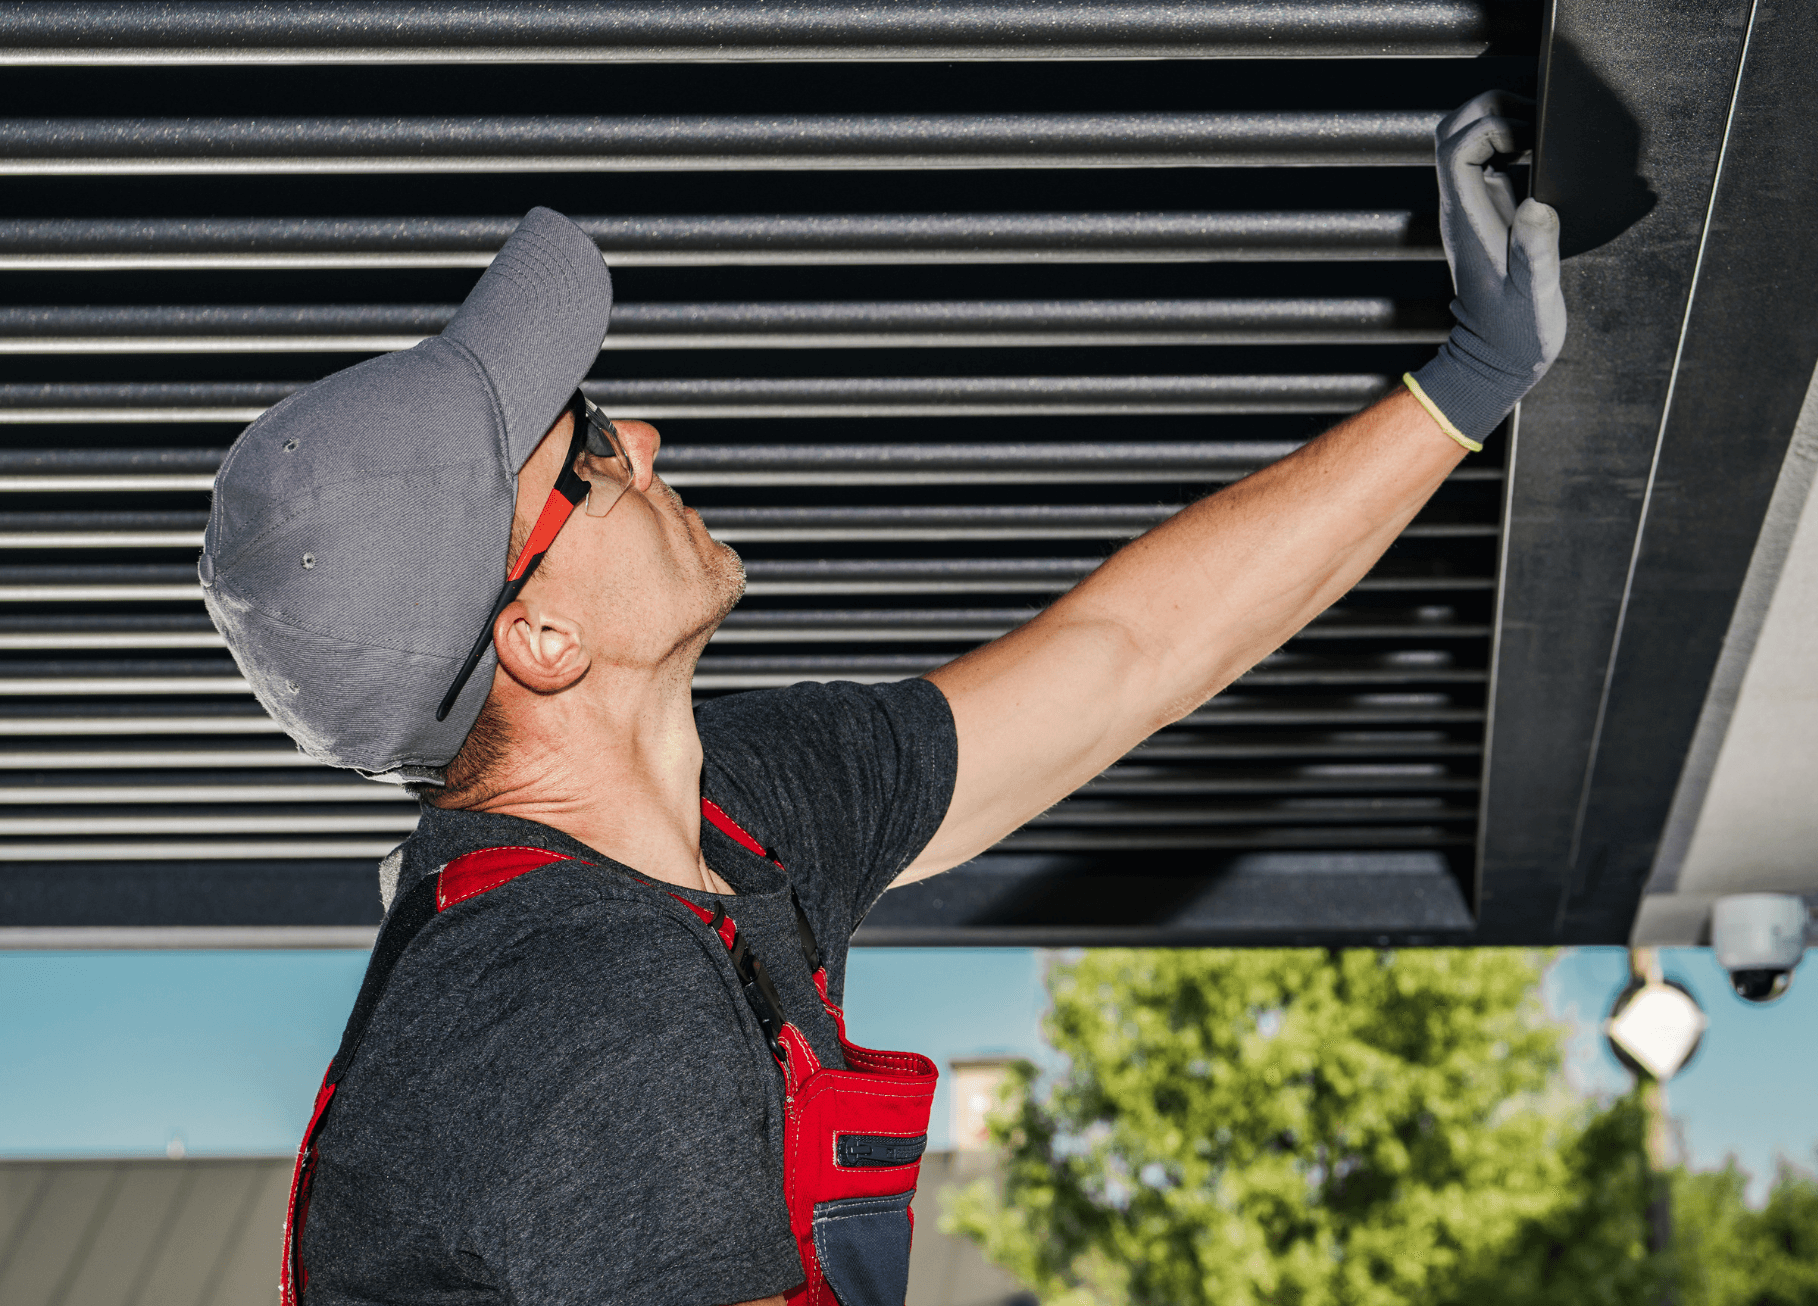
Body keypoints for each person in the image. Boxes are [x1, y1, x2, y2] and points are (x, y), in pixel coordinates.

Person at [205, 92, 1561, 1306]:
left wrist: (1461, 390)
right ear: (546, 637)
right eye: (594, 453)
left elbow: (1127, 654)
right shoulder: (569, 1011)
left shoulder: (721, 812)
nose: (646, 441)